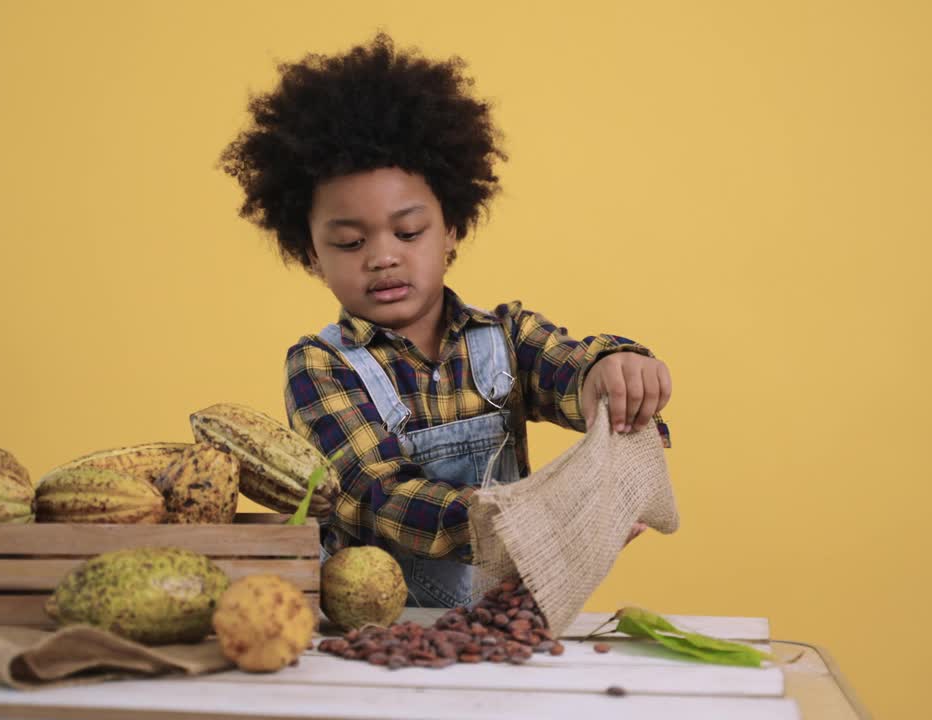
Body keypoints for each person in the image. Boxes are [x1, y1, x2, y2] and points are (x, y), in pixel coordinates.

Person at [221, 33, 672, 608]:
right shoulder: (320, 366)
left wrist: (613, 369)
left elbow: (572, 371)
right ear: (311, 254)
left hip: (501, 617)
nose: (383, 256)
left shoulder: (506, 339)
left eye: (409, 233)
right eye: (350, 241)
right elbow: (373, 494)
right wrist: (523, 521)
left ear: (453, 227)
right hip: (378, 625)